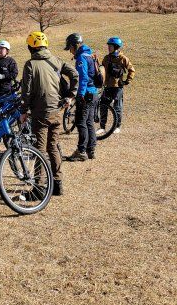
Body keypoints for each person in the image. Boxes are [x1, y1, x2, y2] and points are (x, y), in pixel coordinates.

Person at [19, 31, 78, 196]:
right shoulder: (56, 60)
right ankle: (58, 184)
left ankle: (38, 188)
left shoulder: (30, 65)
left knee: (39, 149)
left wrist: (24, 111)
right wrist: (71, 96)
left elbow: (27, 91)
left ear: (31, 47)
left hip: (41, 114)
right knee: (52, 147)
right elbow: (75, 74)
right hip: (57, 111)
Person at [64, 33, 100, 161]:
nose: (70, 51)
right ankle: (91, 150)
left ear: (75, 45)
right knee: (89, 122)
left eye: (70, 48)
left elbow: (83, 78)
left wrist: (80, 95)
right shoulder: (90, 55)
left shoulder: (81, 59)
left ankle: (81, 151)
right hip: (94, 93)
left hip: (86, 94)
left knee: (81, 122)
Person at [99, 36, 136, 135]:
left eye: (110, 46)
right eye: (108, 46)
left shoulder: (123, 58)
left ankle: (117, 126)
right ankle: (102, 127)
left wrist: (127, 81)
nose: (108, 48)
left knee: (117, 107)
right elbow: (101, 69)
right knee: (103, 106)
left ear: (116, 47)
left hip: (117, 87)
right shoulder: (106, 58)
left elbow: (132, 70)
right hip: (106, 86)